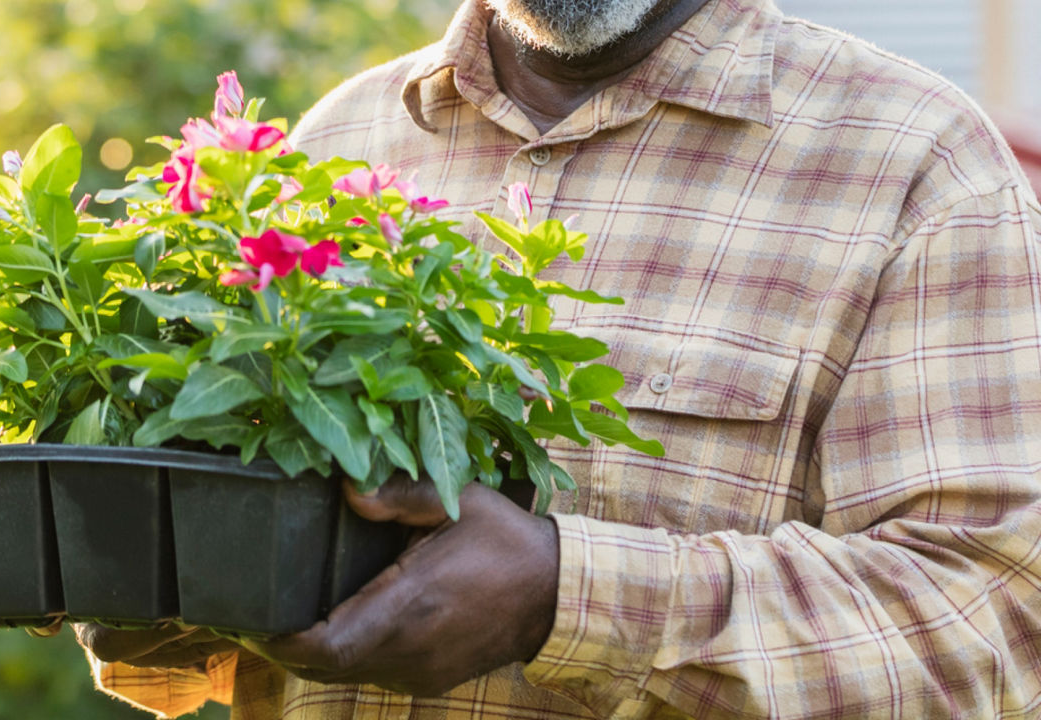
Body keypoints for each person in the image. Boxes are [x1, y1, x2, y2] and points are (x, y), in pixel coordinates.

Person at [68, 0, 1041, 717]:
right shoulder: (336, 142)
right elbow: (210, 657)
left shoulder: (912, 164)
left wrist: (563, 597)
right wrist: (160, 594)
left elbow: (983, 634)